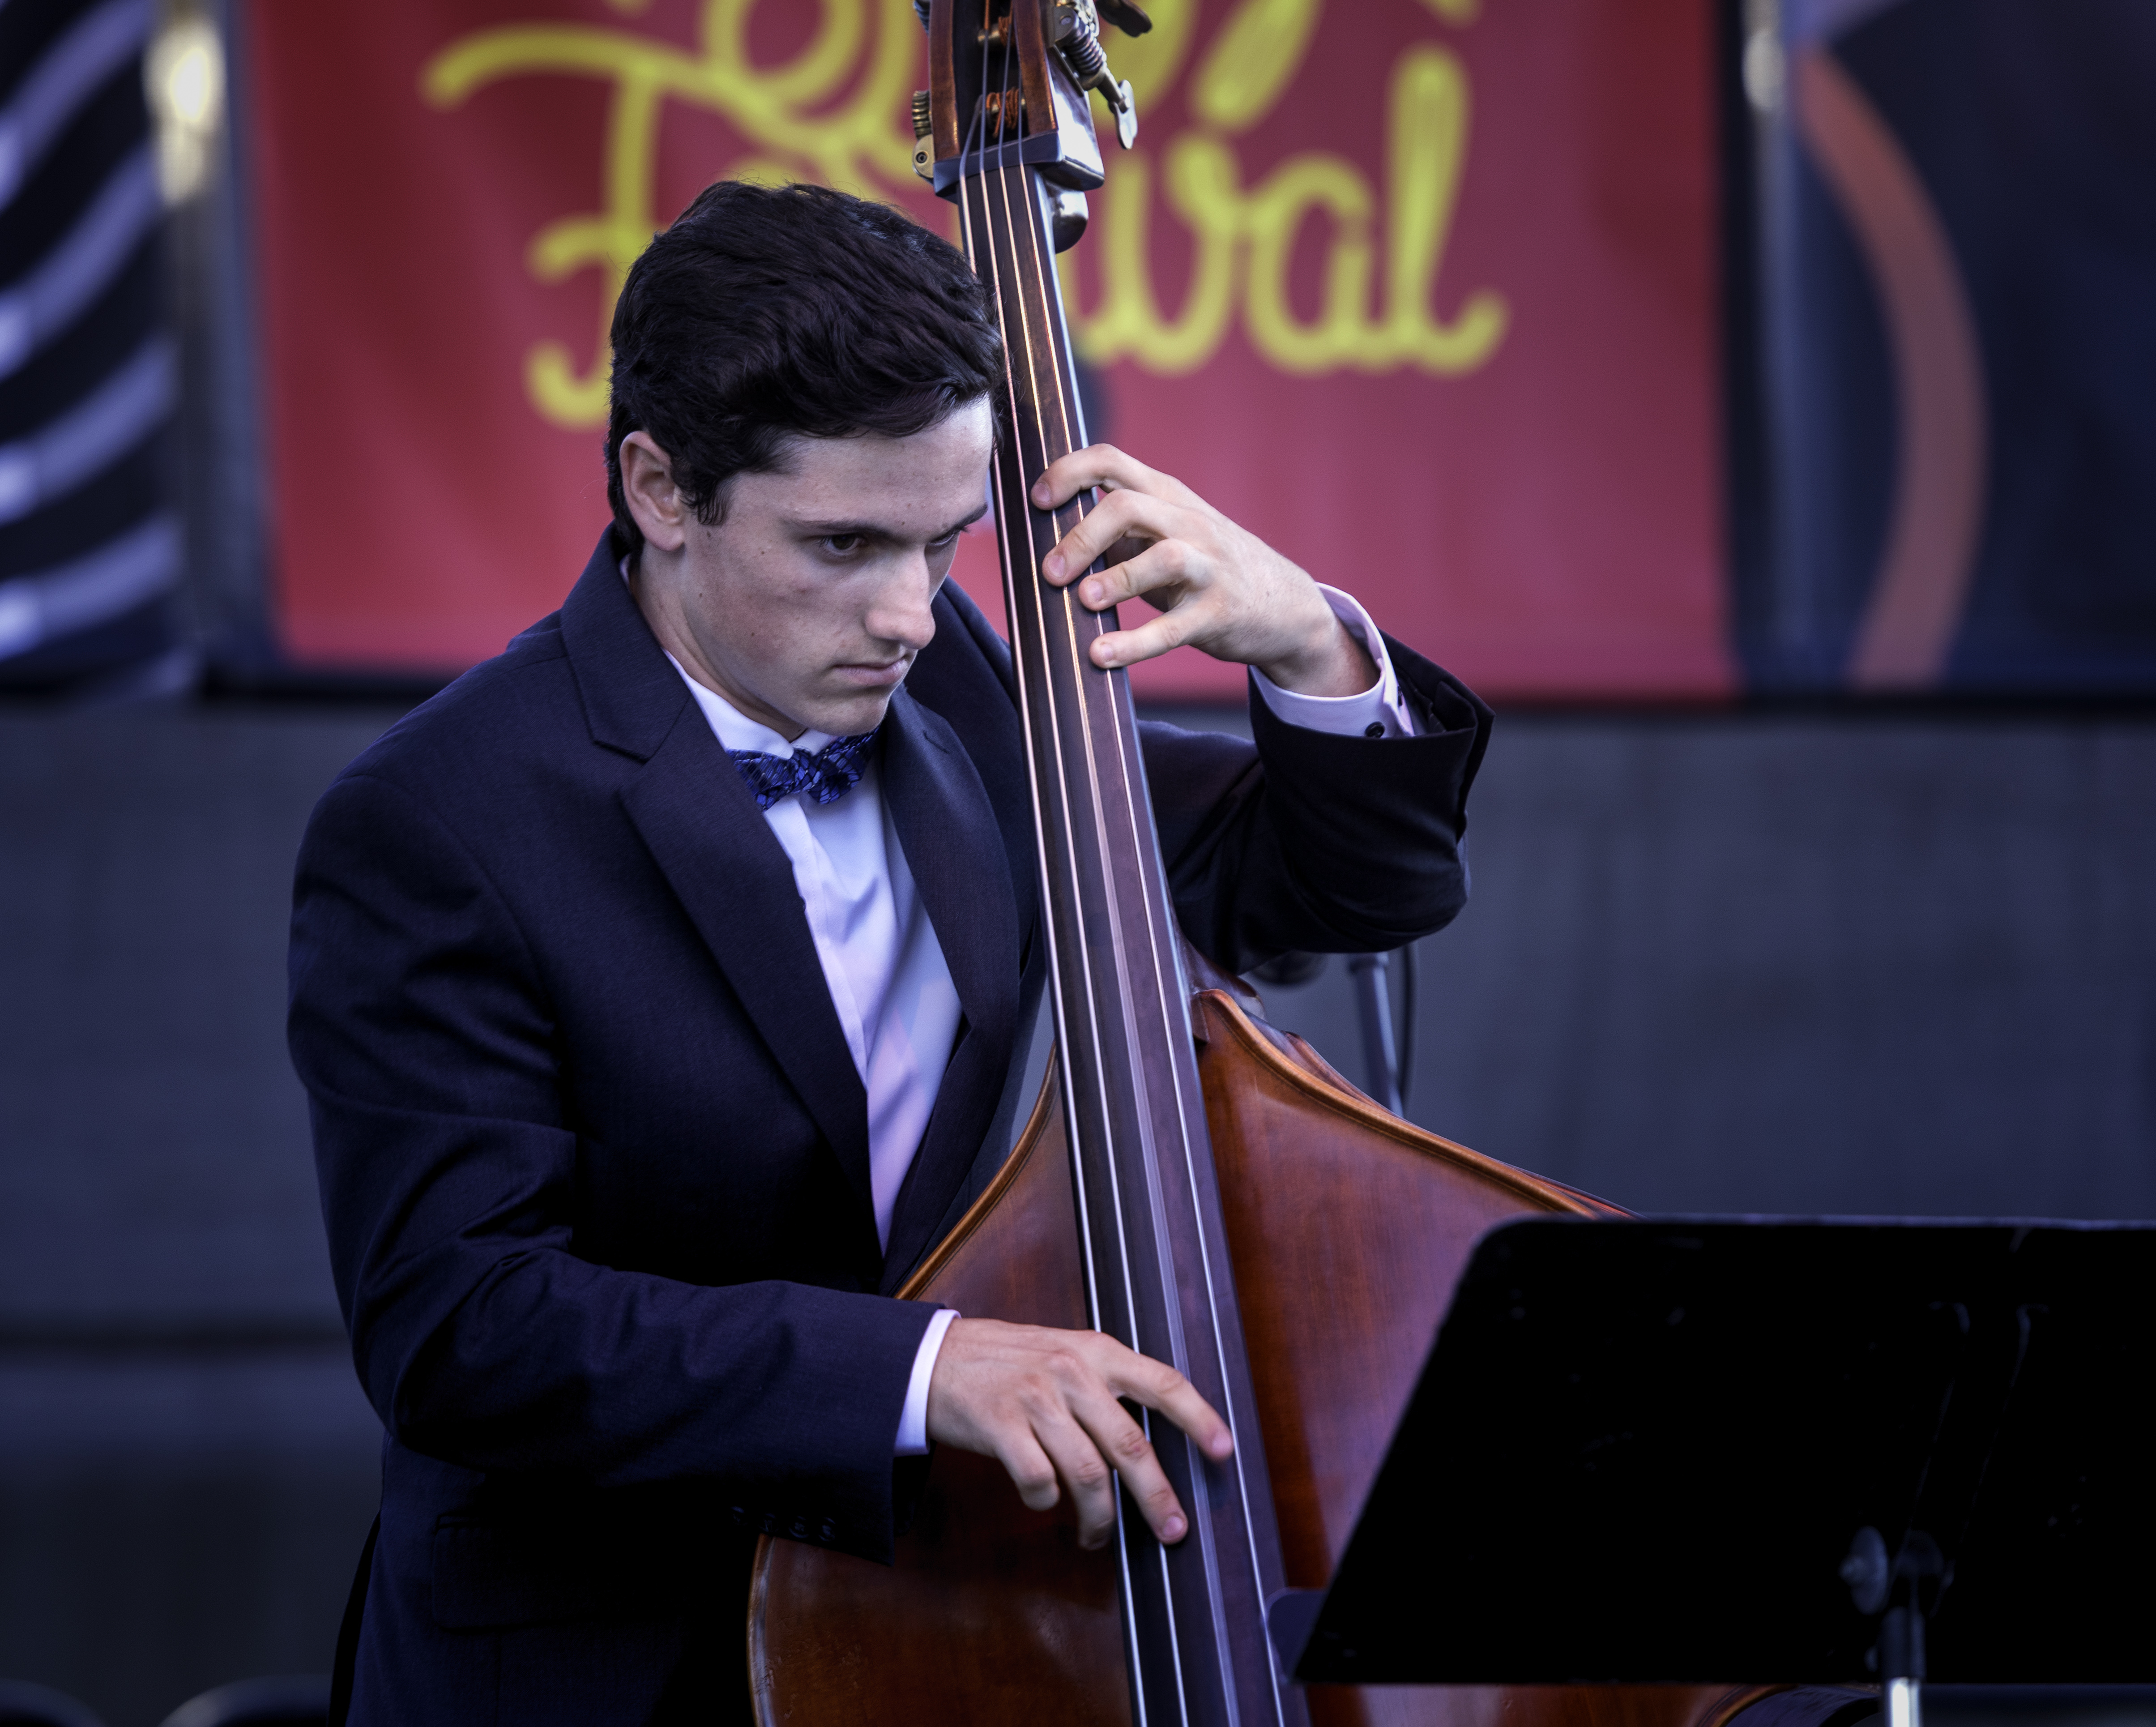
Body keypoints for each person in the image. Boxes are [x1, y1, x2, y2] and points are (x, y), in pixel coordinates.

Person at [290, 179, 1492, 1727]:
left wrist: (1308, 644)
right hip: (599, 1662)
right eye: (842, 543)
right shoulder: (436, 816)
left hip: (935, 1640)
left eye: (944, 543)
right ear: (659, 487)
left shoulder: (971, 689)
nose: (909, 614)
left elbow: (1321, 891)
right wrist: (923, 1372)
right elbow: (463, 1326)